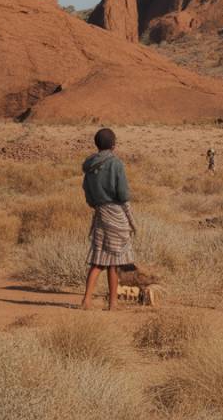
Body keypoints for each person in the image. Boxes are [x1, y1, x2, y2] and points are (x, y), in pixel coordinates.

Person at [81, 128, 137, 311]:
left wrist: (97, 204)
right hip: (116, 214)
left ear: (97, 144)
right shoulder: (116, 164)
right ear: (113, 144)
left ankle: (86, 301)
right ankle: (113, 304)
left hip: (99, 214)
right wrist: (131, 220)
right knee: (115, 260)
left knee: (98, 260)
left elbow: (87, 192)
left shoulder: (89, 165)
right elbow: (123, 193)